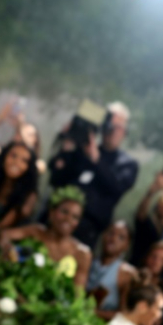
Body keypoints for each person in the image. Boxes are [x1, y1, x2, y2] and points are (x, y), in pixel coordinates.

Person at [48, 101, 139, 249]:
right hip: (58, 219)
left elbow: (116, 188)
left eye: (117, 127)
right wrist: (67, 147)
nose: (112, 131)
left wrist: (95, 158)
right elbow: (56, 180)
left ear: (124, 131)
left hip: (87, 228)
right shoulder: (83, 150)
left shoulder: (128, 164)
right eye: (109, 125)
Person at [0, 186, 91, 287]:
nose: (68, 219)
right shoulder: (35, 232)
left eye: (75, 217)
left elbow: (78, 293)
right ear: (52, 212)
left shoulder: (82, 254)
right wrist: (7, 247)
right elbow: (5, 234)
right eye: (64, 212)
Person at [87, 220, 137, 321]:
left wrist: (94, 313)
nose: (113, 239)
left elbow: (125, 315)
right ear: (103, 235)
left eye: (121, 237)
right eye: (111, 233)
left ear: (127, 245)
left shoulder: (127, 273)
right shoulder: (87, 259)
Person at [0, 97, 46, 173]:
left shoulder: (38, 164)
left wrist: (20, 125)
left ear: (36, 142)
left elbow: (35, 166)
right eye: (18, 132)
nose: (20, 136)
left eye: (29, 134)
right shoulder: (4, 154)